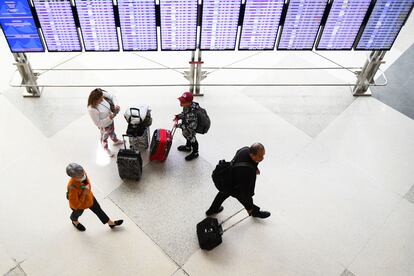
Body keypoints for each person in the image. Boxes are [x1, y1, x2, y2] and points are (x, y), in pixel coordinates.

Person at [206, 143, 271, 219]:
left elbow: (242, 158)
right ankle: (254, 212)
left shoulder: (245, 149)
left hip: (227, 175)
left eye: (263, 155)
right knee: (240, 196)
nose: (262, 158)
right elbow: (245, 193)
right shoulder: (247, 172)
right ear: (252, 155)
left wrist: (255, 167)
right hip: (234, 184)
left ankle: (212, 210)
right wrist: (249, 207)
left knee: (224, 193)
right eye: (260, 156)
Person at [66, 163, 123, 231]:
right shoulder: (72, 187)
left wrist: (85, 188)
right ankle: (74, 220)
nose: (83, 176)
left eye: (83, 173)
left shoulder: (81, 172)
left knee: (99, 210)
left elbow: (87, 184)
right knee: (77, 213)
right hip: (79, 206)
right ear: (73, 177)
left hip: (90, 198)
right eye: (80, 176)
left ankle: (111, 223)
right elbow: (76, 204)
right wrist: (84, 193)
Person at [87, 88, 123, 157]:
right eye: (100, 99)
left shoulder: (101, 94)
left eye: (102, 98)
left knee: (112, 131)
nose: (102, 100)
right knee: (104, 137)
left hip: (110, 120)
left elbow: (112, 96)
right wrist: (109, 118)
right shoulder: (92, 109)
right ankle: (105, 148)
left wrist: (116, 105)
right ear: (94, 99)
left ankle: (115, 140)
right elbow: (98, 123)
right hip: (104, 126)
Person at [175, 92, 199, 161]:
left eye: (182, 102)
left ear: (189, 102)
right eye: (180, 101)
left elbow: (189, 127)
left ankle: (195, 152)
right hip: (187, 129)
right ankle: (188, 147)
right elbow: (184, 114)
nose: (180, 103)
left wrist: (178, 125)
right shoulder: (186, 106)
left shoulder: (192, 114)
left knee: (192, 139)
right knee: (187, 136)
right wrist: (178, 116)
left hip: (191, 129)